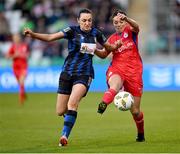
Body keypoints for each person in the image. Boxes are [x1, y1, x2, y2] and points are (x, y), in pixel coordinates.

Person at [23, 8, 121, 146]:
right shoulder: (71, 31)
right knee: (60, 111)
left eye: (89, 20)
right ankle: (69, 115)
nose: (87, 23)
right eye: (84, 20)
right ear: (78, 21)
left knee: (72, 104)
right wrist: (33, 34)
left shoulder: (96, 33)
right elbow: (51, 37)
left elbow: (105, 52)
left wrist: (114, 47)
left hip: (84, 74)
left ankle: (64, 136)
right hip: (67, 73)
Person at [95, 9, 145, 142]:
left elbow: (136, 26)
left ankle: (140, 134)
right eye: (115, 22)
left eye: (120, 21)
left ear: (125, 21)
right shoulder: (111, 39)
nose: (117, 24)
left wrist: (127, 19)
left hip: (134, 73)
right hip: (117, 68)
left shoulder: (131, 32)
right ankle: (103, 103)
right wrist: (93, 49)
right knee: (114, 86)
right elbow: (104, 55)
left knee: (135, 111)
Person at [6, 33, 29, 104]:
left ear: (19, 38)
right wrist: (15, 55)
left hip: (23, 67)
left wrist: (22, 55)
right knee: (20, 84)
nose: (16, 39)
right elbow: (7, 56)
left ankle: (21, 100)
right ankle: (24, 95)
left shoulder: (24, 46)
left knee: (22, 82)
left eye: (17, 37)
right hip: (15, 67)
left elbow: (27, 55)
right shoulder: (12, 47)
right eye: (15, 37)